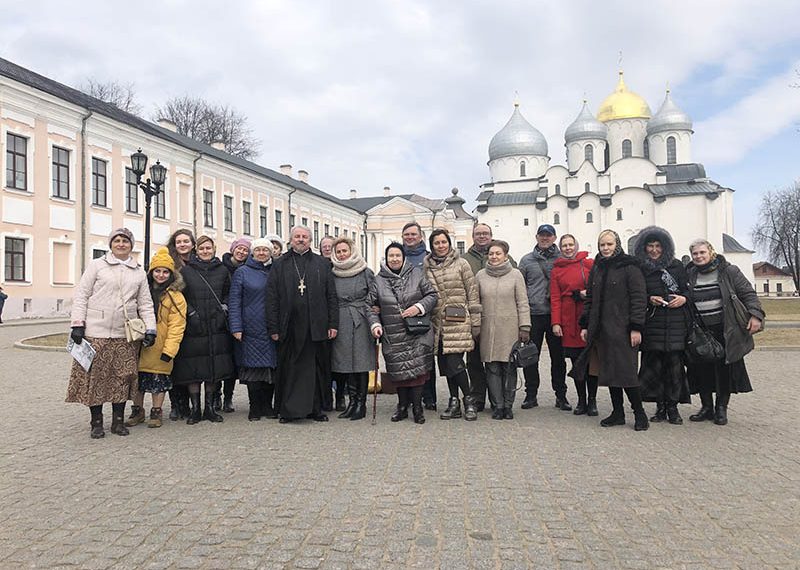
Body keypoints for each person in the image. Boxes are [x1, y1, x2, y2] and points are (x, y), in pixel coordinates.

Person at [66, 228, 156, 438]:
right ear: (111, 244)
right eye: (117, 240)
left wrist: (150, 328)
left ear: (131, 245)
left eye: (125, 241)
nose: (121, 244)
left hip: (124, 334)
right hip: (96, 331)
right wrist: (77, 324)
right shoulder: (97, 265)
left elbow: (145, 303)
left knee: (122, 378)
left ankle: (118, 421)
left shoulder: (138, 271)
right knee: (96, 377)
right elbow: (82, 295)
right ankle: (96, 422)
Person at [574, 229, 649, 431]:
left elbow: (639, 298)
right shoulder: (598, 267)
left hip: (623, 329)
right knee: (609, 372)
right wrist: (585, 325)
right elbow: (590, 298)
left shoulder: (629, 266)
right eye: (602, 245)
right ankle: (618, 413)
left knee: (626, 372)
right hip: (601, 329)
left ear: (617, 244)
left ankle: (639, 413)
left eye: (609, 244)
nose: (606, 248)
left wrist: (636, 327)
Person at [685, 239, 764, 426]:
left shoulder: (728, 271)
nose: (699, 256)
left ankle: (721, 408)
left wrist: (756, 315)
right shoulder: (689, 273)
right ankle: (706, 407)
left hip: (725, 328)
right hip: (701, 330)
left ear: (711, 252)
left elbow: (748, 294)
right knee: (701, 369)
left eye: (702, 252)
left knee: (724, 370)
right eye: (695, 254)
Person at [266, 226, 338, 423]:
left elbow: (331, 296)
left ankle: (316, 409)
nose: (301, 240)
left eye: (305, 237)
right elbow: (271, 297)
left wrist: (333, 323)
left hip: (316, 325)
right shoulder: (280, 264)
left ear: (310, 240)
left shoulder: (321, 264)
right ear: (290, 239)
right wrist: (273, 327)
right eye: (297, 236)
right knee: (289, 368)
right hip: (288, 326)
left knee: (316, 369)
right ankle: (288, 410)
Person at [369, 242, 438, 424]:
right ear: (386, 259)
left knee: (417, 371)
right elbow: (369, 306)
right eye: (391, 256)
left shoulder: (416, 273)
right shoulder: (378, 280)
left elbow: (432, 295)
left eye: (397, 255)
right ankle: (401, 407)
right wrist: (375, 325)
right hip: (393, 333)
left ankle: (417, 407)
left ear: (403, 257)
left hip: (417, 330)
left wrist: (419, 307)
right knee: (398, 371)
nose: (394, 259)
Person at [171, 235, 235, 424]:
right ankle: (195, 409)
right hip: (194, 326)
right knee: (194, 368)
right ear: (196, 251)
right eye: (201, 249)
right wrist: (191, 313)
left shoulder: (222, 270)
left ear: (213, 249)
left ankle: (209, 408)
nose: (205, 251)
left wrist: (224, 308)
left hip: (216, 325)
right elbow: (179, 295)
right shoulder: (186, 271)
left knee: (213, 368)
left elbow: (228, 293)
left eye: (208, 248)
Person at [633, 227, 691, 425]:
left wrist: (683, 299)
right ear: (644, 247)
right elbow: (636, 294)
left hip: (675, 325)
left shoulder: (676, 267)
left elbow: (688, 291)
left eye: (658, 246)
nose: (654, 250)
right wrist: (650, 298)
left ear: (665, 247)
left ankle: (673, 407)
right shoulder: (640, 268)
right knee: (654, 370)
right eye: (650, 246)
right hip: (653, 324)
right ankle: (660, 407)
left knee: (674, 369)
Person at [125, 247, 187, 429]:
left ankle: (156, 411)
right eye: (157, 271)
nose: (161, 275)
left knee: (158, 381)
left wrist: (170, 350)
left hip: (160, 345)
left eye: (165, 271)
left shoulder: (175, 296)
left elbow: (177, 326)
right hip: (139, 342)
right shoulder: (140, 291)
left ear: (171, 274)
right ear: (151, 272)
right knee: (138, 381)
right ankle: (137, 411)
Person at [424, 228, 481, 421]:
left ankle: (469, 400)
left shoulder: (462, 263)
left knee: (455, 363)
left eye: (443, 242)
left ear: (449, 243)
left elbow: (472, 292)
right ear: (431, 246)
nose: (441, 246)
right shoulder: (427, 266)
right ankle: (454, 401)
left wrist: (475, 321)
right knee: (446, 364)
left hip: (458, 319)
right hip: (438, 323)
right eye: (436, 243)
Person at [463, 223, 517, 412]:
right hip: (478, 319)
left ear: (491, 235)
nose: (482, 236)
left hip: (503, 323)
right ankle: (478, 398)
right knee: (474, 361)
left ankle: (501, 402)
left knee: (501, 362)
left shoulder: (509, 262)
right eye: (478, 234)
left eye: (485, 233)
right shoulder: (465, 259)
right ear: (473, 236)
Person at [475, 240, 530, 420]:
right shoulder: (480, 276)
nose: (494, 256)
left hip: (510, 329)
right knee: (492, 368)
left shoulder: (516, 275)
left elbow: (522, 302)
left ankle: (508, 405)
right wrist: (475, 326)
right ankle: (497, 405)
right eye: (491, 253)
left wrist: (525, 326)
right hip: (488, 329)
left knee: (509, 368)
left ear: (505, 255)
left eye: (498, 253)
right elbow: (475, 304)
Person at [519, 224, 570, 410]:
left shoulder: (563, 259)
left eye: (548, 235)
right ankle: (531, 394)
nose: (545, 238)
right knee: (531, 357)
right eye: (542, 235)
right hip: (534, 314)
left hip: (557, 316)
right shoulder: (526, 261)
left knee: (558, 358)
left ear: (554, 238)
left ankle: (561, 395)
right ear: (537, 237)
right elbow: (521, 288)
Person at [228, 238, 278, 421]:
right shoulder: (242, 272)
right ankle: (255, 407)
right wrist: (236, 326)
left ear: (271, 252)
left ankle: (268, 406)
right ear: (253, 252)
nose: (262, 253)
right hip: (250, 328)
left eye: (266, 250)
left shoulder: (275, 270)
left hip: (271, 327)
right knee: (253, 370)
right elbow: (234, 302)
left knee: (271, 370)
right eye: (258, 250)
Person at [329, 237, 376, 421]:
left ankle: (361, 404)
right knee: (346, 363)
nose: (341, 255)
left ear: (351, 251)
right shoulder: (332, 273)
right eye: (338, 252)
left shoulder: (365, 271)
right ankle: (352, 402)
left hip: (361, 319)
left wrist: (374, 312)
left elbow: (373, 295)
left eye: (344, 251)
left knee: (361, 362)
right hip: (341, 320)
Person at [550, 234, 597, 416]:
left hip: (587, 316)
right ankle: (581, 400)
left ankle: (592, 400)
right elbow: (555, 297)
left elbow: (598, 287)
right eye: (564, 246)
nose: (568, 248)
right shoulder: (557, 270)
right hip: (569, 318)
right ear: (560, 248)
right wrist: (556, 322)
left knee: (590, 363)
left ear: (576, 246)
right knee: (576, 363)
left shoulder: (588, 264)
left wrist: (586, 293)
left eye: (570, 245)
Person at [402, 221, 435, 410]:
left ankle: (429, 396)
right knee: (406, 355)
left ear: (421, 236)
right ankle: (407, 398)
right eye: (406, 234)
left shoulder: (428, 258)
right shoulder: (397, 255)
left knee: (426, 354)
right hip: (403, 311)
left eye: (413, 234)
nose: (410, 237)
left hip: (424, 309)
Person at [165, 228, 196, 420]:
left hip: (193, 316)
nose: (182, 245)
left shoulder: (198, 261)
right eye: (179, 242)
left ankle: (191, 403)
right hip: (173, 315)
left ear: (192, 243)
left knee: (189, 362)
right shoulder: (169, 262)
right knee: (174, 363)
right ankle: (177, 404)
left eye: (186, 241)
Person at [218, 237, 251, 413]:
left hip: (240, 317)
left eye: (245, 250)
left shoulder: (248, 269)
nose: (242, 252)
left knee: (232, 361)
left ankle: (228, 397)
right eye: (239, 248)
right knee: (220, 358)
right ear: (233, 249)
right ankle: (216, 396)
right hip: (222, 317)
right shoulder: (222, 267)